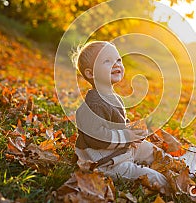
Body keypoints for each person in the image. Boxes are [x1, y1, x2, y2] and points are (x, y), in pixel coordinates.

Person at [71, 40, 177, 193]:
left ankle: (174, 164)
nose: (116, 64)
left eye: (118, 60)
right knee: (148, 175)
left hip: (120, 149)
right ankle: (175, 188)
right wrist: (126, 136)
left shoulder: (113, 97)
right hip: (104, 162)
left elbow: (119, 124)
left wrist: (132, 133)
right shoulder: (93, 105)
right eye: (107, 61)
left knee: (148, 148)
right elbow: (96, 138)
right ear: (90, 73)